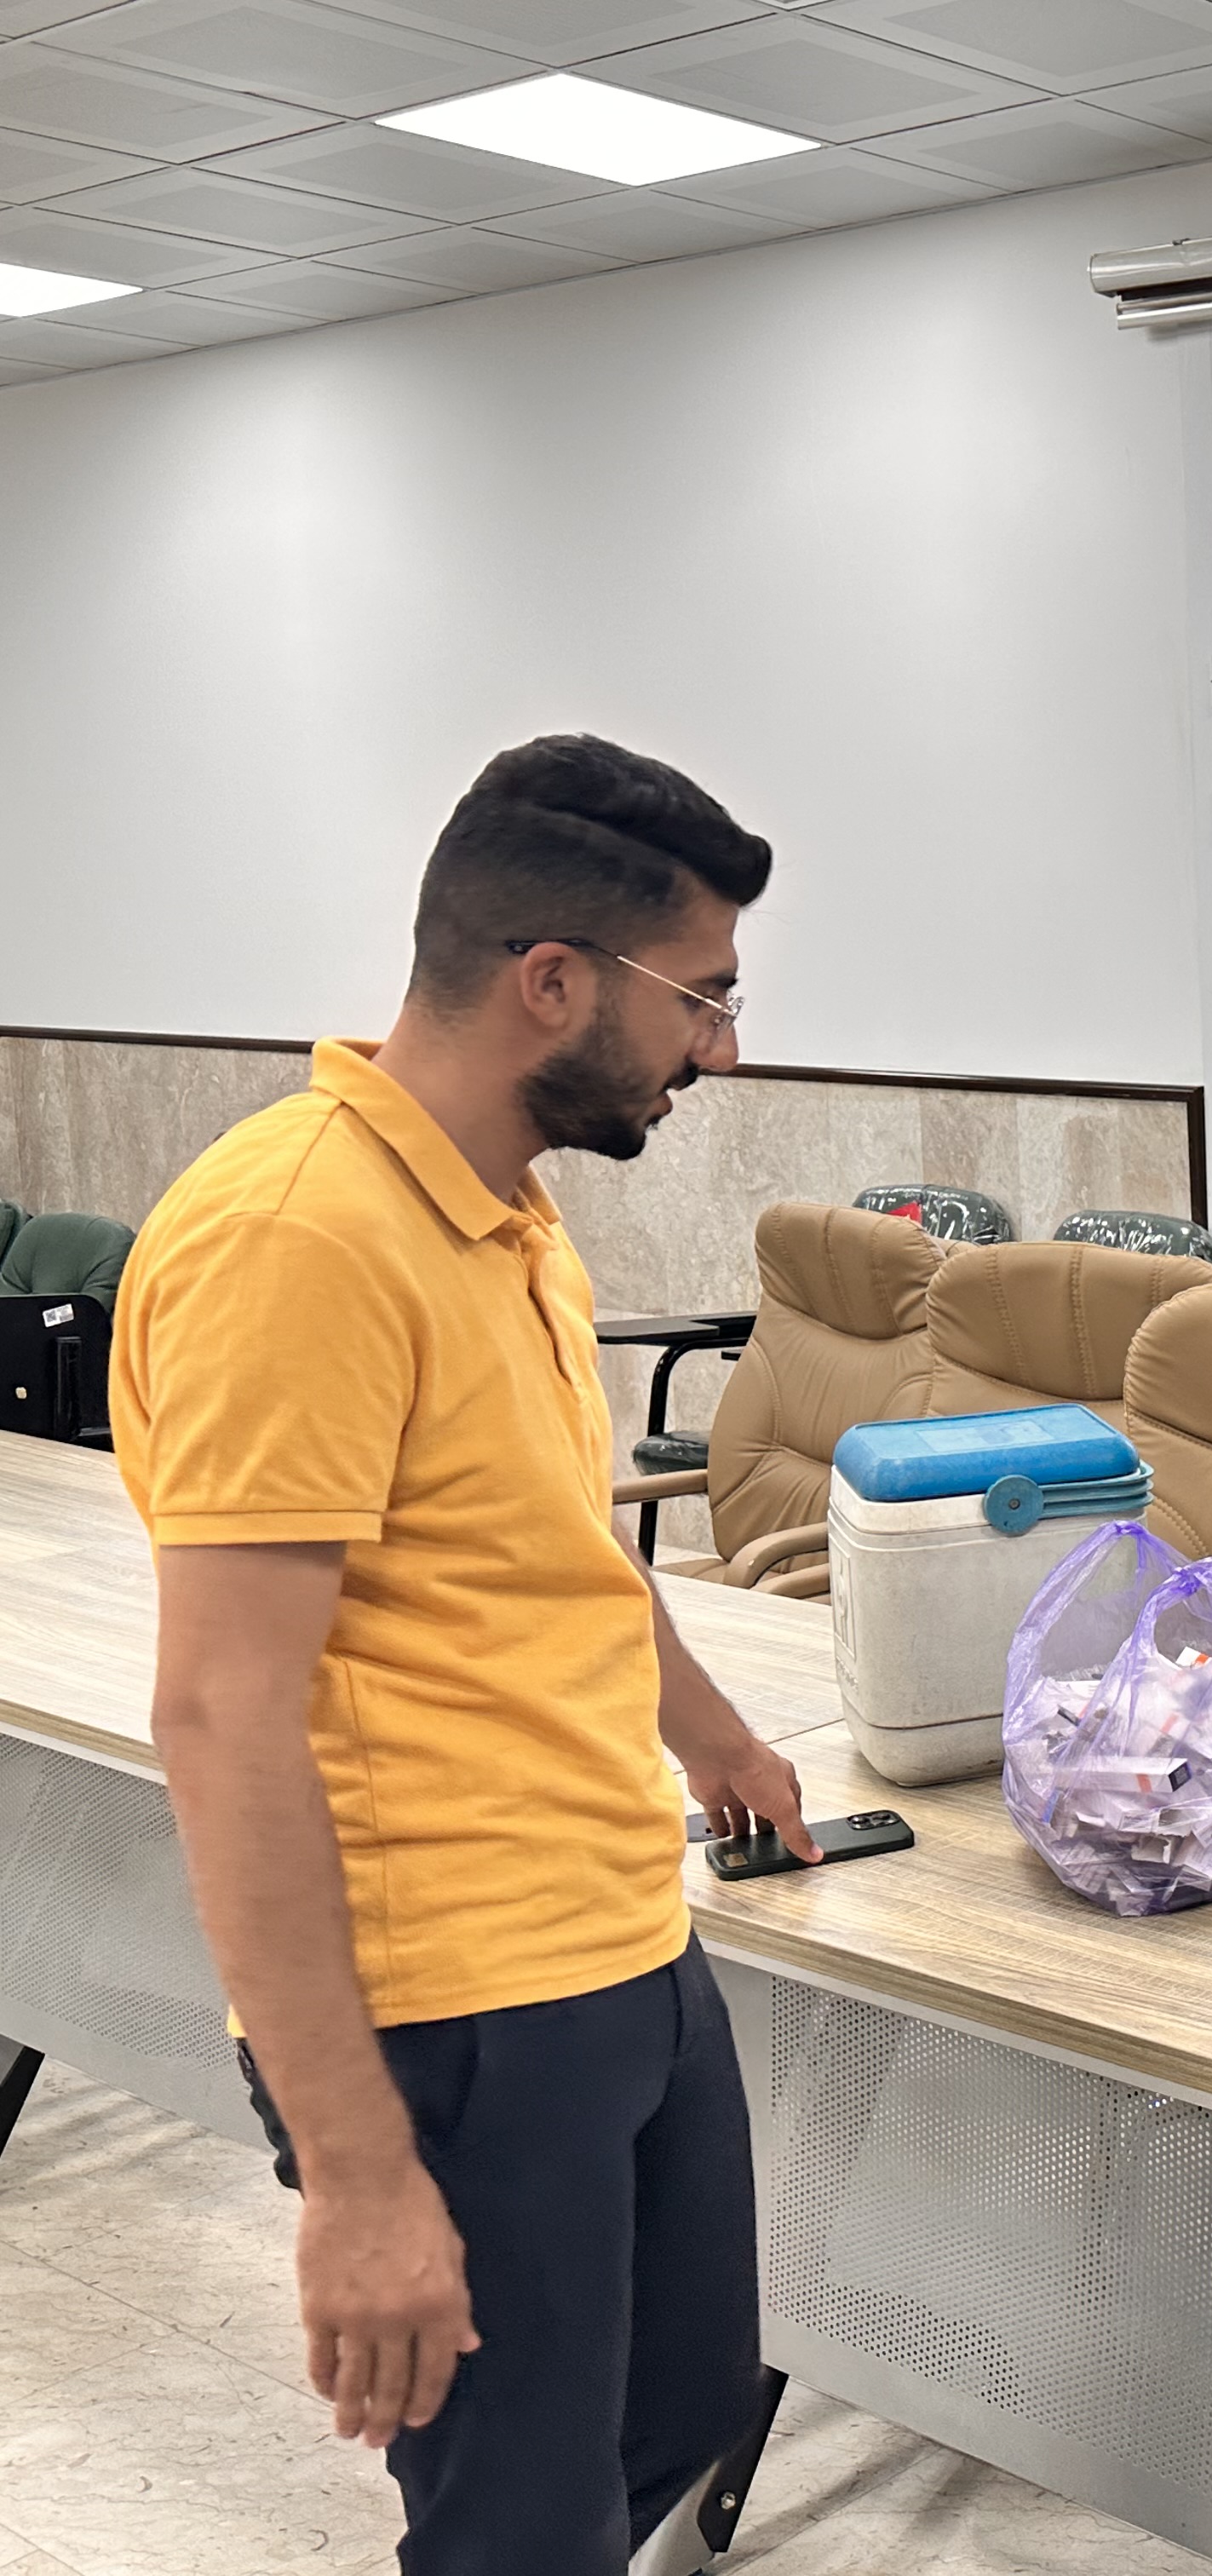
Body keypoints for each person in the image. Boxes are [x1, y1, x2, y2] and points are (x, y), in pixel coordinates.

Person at [112, 737, 816, 2573]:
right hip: (452, 2000)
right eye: (704, 999)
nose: (722, 1050)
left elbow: (557, 1542)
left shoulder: (503, 1208)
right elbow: (222, 1713)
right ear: (554, 983)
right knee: (517, 2527)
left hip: (617, 1934)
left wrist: (713, 1732)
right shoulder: (296, 1239)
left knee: (681, 2402)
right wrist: (358, 2176)